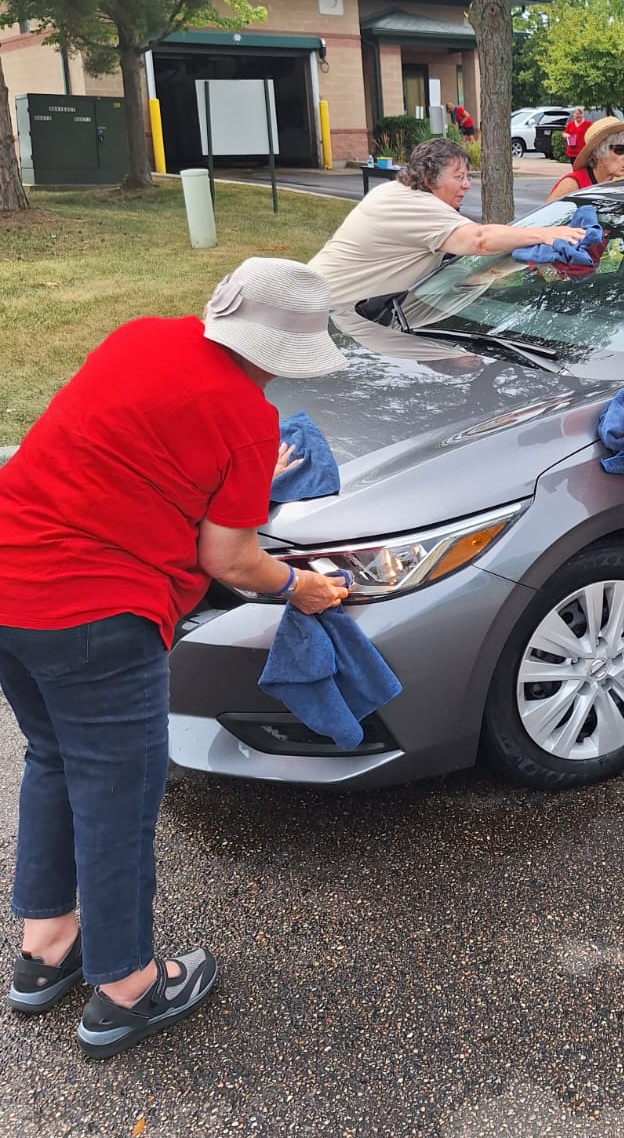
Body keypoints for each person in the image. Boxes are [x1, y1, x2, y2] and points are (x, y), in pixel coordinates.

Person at [0, 259, 351, 1058]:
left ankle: (45, 948)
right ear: (283, 354)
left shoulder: (140, 338)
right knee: (117, 797)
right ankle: (128, 987)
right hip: (95, 616)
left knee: (53, 759)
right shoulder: (247, 418)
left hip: (6, 580)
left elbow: (133, 452)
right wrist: (300, 586)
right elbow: (230, 559)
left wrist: (241, 471)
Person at [310, 136, 585, 310]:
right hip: (317, 312)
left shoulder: (400, 194)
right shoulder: (416, 206)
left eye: (468, 177)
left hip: (341, 313)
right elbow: (480, 240)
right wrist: (544, 234)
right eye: (459, 177)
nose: (466, 185)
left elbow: (470, 269)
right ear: (429, 178)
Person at [547, 117, 624, 203]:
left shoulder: (620, 185)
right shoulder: (573, 185)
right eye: (620, 150)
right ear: (599, 154)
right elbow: (545, 218)